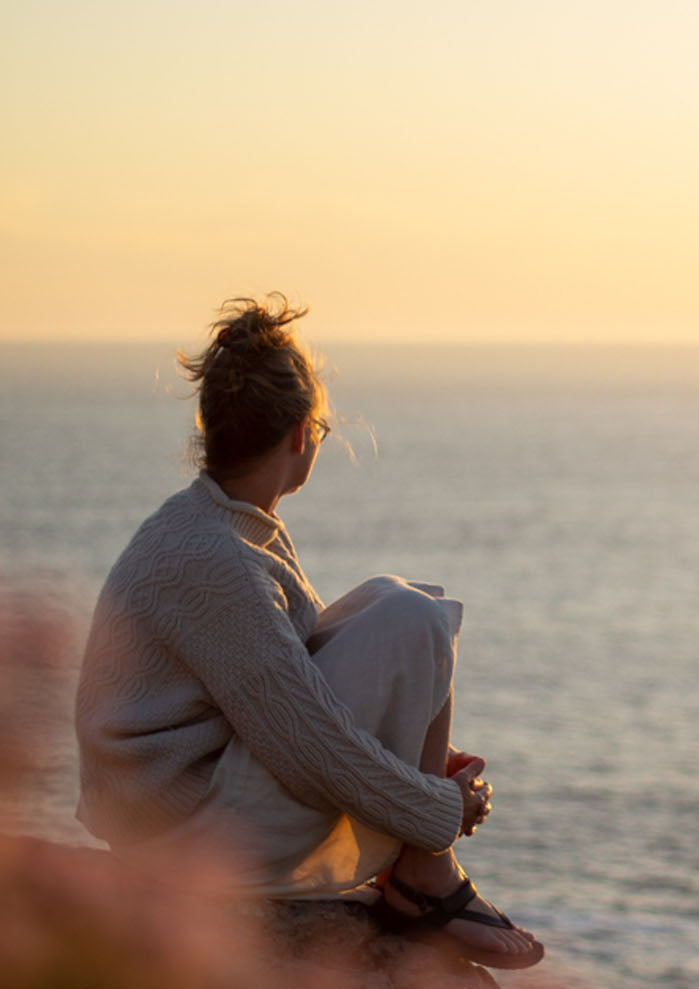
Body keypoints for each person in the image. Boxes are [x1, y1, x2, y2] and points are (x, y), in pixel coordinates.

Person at [73, 295, 545, 970]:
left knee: (405, 603)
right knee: (411, 617)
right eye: (322, 428)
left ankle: (422, 867)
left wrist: (421, 760)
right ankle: (425, 872)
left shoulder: (216, 526)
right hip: (184, 838)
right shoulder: (217, 560)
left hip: (187, 808)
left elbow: (288, 692)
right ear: (300, 434)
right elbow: (307, 744)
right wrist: (438, 806)